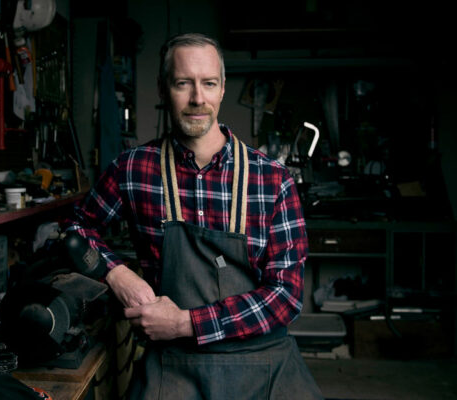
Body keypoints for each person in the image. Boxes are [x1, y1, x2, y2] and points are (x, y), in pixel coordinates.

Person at [65, 32, 323, 399]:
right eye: (183, 83)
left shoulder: (272, 180)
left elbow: (287, 296)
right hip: (173, 366)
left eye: (209, 84)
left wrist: (186, 322)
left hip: (264, 363)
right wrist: (115, 273)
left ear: (221, 90)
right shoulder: (133, 169)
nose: (198, 99)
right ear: (162, 88)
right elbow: (76, 228)